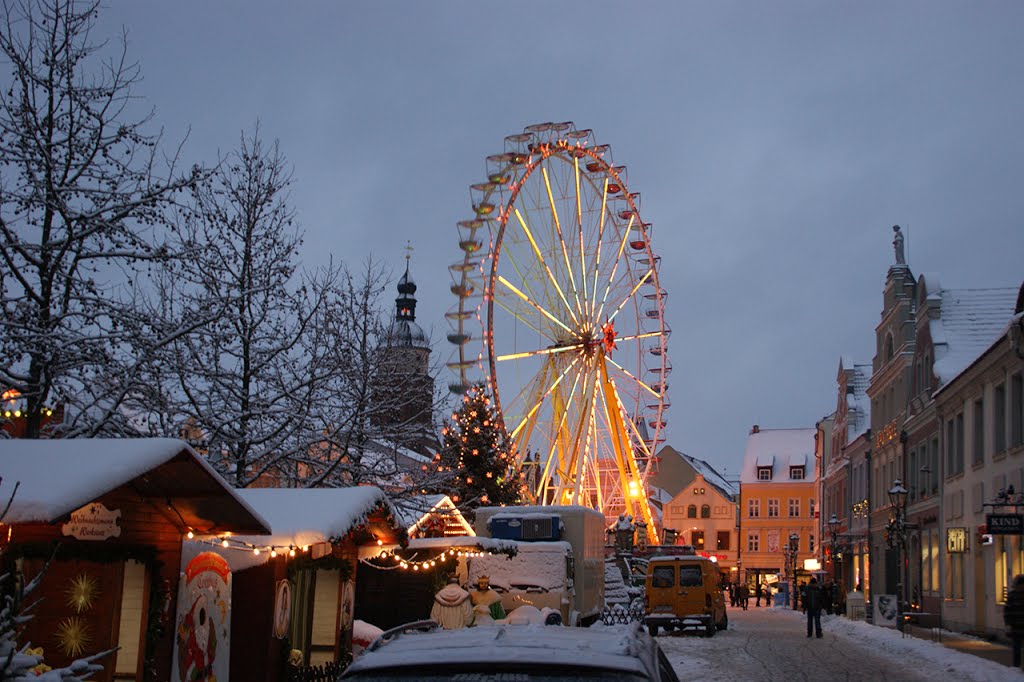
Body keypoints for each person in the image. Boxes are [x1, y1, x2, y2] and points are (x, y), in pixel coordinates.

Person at [1004, 574, 1024, 668]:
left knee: (1017, 647)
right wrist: (1008, 624)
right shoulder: (1012, 595)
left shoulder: (1012, 595)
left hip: (1016, 626)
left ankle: (1017, 666)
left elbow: (1007, 611)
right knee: (1016, 648)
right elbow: (1007, 611)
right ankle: (1016, 666)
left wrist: (1008, 624)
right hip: (1016, 626)